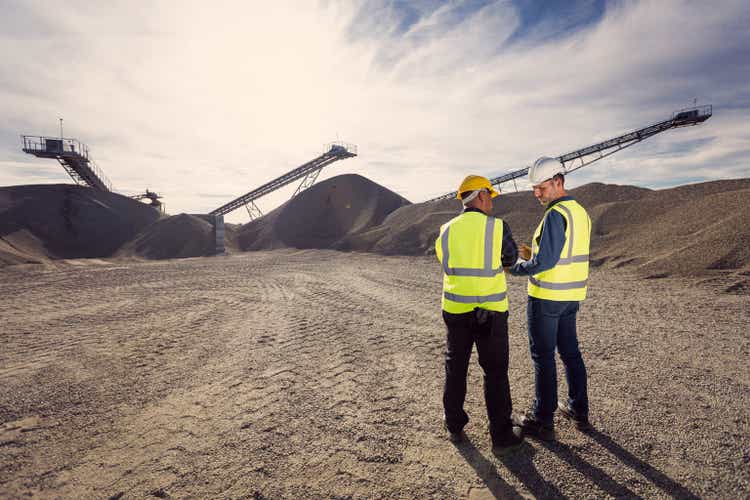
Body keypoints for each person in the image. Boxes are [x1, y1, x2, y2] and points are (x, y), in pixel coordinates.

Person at [434, 175, 524, 454]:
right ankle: (501, 436)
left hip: (456, 308)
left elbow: (445, 260)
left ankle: (454, 425)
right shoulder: (497, 227)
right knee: (495, 371)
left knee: (456, 367)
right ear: (481, 196)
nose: (492, 203)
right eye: (491, 197)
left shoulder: (446, 229)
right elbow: (509, 259)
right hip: (490, 310)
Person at [510, 157, 592, 441]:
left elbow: (546, 262)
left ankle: (542, 418)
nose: (537, 194)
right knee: (571, 353)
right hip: (570, 296)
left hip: (547, 297)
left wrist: (517, 267)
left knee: (543, 357)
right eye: (534, 189)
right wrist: (534, 256)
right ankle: (578, 409)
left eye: (541, 188)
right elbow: (562, 256)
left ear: (558, 182)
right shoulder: (579, 212)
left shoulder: (555, 214)